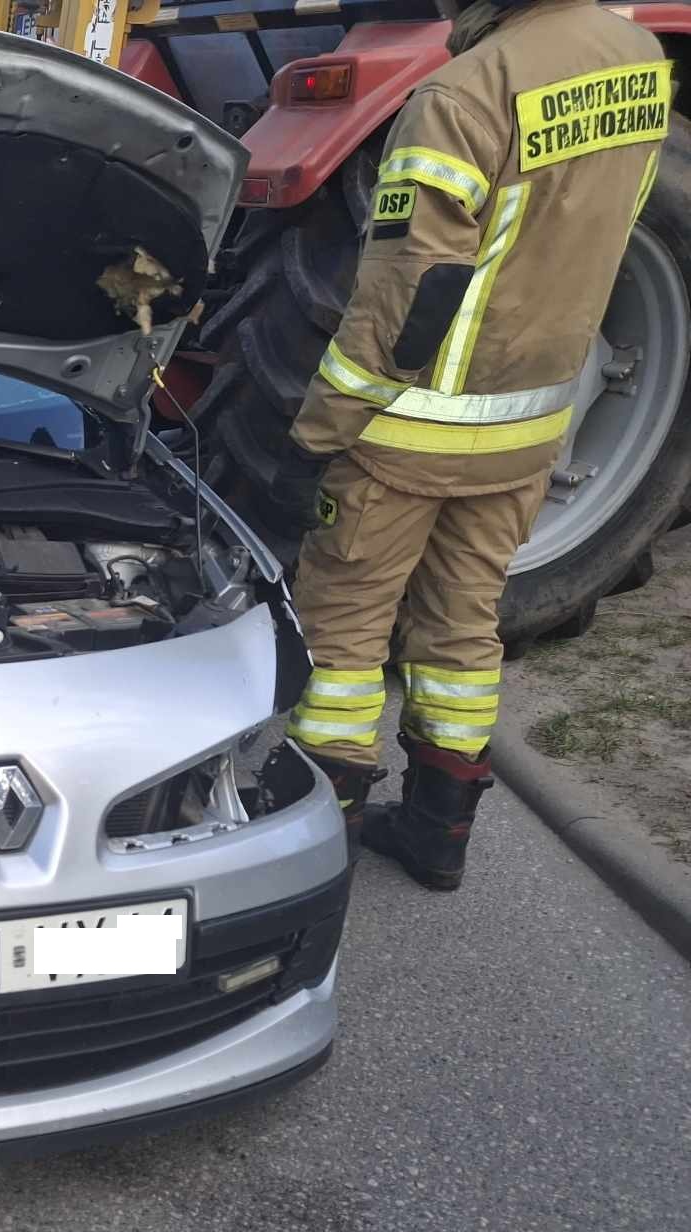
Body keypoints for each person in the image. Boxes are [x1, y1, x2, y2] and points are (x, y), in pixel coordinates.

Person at [274, 0, 669, 890]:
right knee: (462, 625)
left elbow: (407, 295)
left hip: (408, 436)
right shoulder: (637, 55)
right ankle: (437, 834)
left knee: (344, 632)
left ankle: (321, 846)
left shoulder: (465, 92)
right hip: (531, 428)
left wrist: (318, 435)